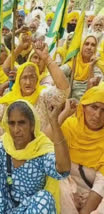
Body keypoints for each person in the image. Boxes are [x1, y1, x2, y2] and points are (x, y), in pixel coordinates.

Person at [0, 100, 71, 213]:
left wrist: (54, 123)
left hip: (29, 209)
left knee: (45, 198)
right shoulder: (5, 144)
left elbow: (63, 168)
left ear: (32, 125)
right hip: (5, 206)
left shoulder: (41, 149)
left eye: (22, 123)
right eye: (12, 123)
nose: (16, 130)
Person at [0, 61, 69, 140]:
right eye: (24, 78)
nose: (28, 82)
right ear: (18, 80)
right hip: (15, 146)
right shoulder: (9, 98)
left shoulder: (43, 95)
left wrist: (47, 59)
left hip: (40, 145)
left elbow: (63, 90)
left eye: (32, 77)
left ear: (37, 79)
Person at [59, 84, 104, 213]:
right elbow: (45, 145)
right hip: (68, 189)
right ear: (83, 107)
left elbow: (101, 184)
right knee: (57, 183)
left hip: (94, 195)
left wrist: (85, 209)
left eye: (103, 110)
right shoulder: (69, 126)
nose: (97, 115)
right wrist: (62, 115)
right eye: (93, 107)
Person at [60, 35, 103, 100]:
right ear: (81, 46)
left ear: (95, 48)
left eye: (93, 45)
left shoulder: (97, 66)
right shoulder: (73, 63)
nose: (89, 47)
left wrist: (91, 67)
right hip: (71, 105)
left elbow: (92, 91)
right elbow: (57, 73)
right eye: (86, 44)